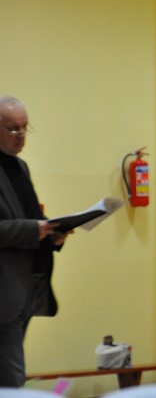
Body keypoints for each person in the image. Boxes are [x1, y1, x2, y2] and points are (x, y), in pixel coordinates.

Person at [0, 96, 68, 387]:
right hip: (5, 288)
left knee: (8, 374)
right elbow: (25, 225)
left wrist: (53, 233)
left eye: (25, 127)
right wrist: (33, 230)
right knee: (12, 378)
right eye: (13, 128)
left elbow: (28, 215)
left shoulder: (20, 167)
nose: (21, 135)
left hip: (27, 285)